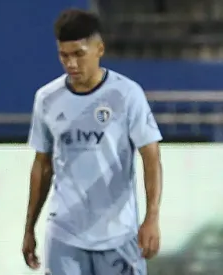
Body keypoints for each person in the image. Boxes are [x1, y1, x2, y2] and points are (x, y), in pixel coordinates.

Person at [21, 9, 163, 275]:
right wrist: (29, 228)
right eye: (64, 55)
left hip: (118, 235)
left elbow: (151, 156)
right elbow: (42, 165)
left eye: (79, 54)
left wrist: (152, 217)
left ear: (99, 49)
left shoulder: (126, 94)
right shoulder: (47, 98)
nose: (71, 64)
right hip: (64, 235)